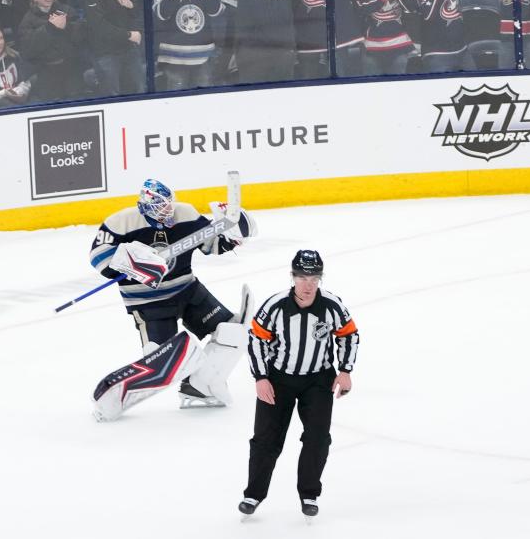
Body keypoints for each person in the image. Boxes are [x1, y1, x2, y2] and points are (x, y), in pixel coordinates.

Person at [88, 178, 256, 419]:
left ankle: (200, 386)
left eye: (168, 205)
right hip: (148, 303)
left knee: (233, 331)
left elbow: (212, 244)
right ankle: (110, 398)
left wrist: (232, 235)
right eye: (160, 207)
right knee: (161, 361)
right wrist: (133, 260)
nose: (167, 211)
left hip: (187, 291)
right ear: (145, 205)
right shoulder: (120, 222)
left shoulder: (185, 213)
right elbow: (98, 258)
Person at [239, 250, 359, 520]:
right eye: (302, 277)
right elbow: (256, 339)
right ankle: (253, 495)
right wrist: (261, 377)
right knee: (265, 440)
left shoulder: (332, 305)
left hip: (318, 381)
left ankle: (309, 494)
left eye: (314, 278)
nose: (308, 285)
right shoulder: (275, 305)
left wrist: (345, 371)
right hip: (279, 379)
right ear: (292, 277)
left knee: (318, 438)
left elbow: (348, 335)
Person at [153, 0, 225, 90]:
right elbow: (160, 16)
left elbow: (217, 13)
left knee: (203, 102)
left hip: (203, 57)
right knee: (176, 102)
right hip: (174, 59)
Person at [84, 0, 146, 96]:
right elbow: (97, 25)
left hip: (129, 47)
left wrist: (130, 5)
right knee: (113, 95)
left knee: (140, 91)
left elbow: (136, 11)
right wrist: (128, 35)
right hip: (107, 52)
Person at [18, 0, 87, 102]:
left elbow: (82, 34)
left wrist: (67, 27)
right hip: (47, 75)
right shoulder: (27, 20)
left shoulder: (66, 10)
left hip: (71, 70)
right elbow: (28, 49)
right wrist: (49, 28)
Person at [0, 23, 32, 109]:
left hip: (17, 104)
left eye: (1, 38)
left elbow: (26, 83)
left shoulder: (14, 56)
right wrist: (4, 93)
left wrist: (15, 92)